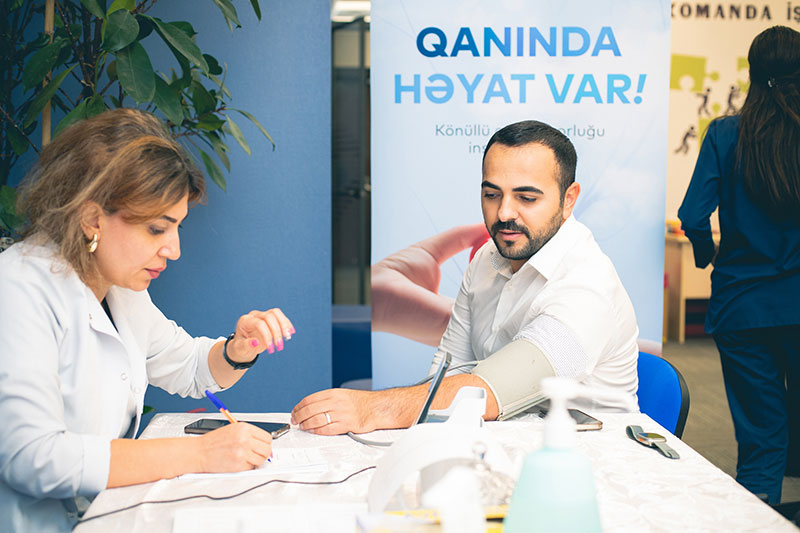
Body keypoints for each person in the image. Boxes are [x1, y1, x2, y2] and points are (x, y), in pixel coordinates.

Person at [0, 108, 295, 531]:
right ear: (92, 219)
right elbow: (32, 457)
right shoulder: (18, 288)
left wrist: (239, 349)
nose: (174, 250)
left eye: (177, 229)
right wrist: (200, 453)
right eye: (157, 229)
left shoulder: (119, 288)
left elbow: (189, 367)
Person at [292, 120, 639, 435]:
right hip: (501, 444)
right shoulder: (488, 257)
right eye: (491, 195)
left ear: (568, 200)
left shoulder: (589, 286)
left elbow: (496, 390)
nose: (504, 213)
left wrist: (372, 408)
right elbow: (447, 372)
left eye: (526, 197)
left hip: (594, 462)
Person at [678, 25, 800, 505]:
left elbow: (693, 216)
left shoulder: (726, 133)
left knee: (761, 437)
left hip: (743, 307)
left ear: (753, 73)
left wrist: (708, 257)